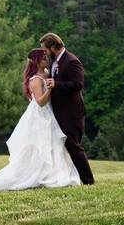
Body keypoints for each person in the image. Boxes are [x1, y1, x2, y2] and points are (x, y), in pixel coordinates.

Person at [0, 49, 80, 191]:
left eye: (47, 57)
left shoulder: (47, 74)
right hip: (40, 117)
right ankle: (36, 175)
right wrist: (50, 89)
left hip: (50, 115)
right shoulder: (35, 80)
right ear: (37, 62)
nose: (47, 60)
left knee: (52, 145)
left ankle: (51, 173)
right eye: (44, 58)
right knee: (39, 146)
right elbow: (40, 102)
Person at [40, 32, 95, 185]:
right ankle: (70, 178)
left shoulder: (72, 61)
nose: (44, 53)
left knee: (74, 147)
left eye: (45, 49)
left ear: (52, 47)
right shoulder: (54, 61)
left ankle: (88, 181)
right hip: (58, 112)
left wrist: (56, 84)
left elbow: (78, 84)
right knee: (66, 147)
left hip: (71, 112)